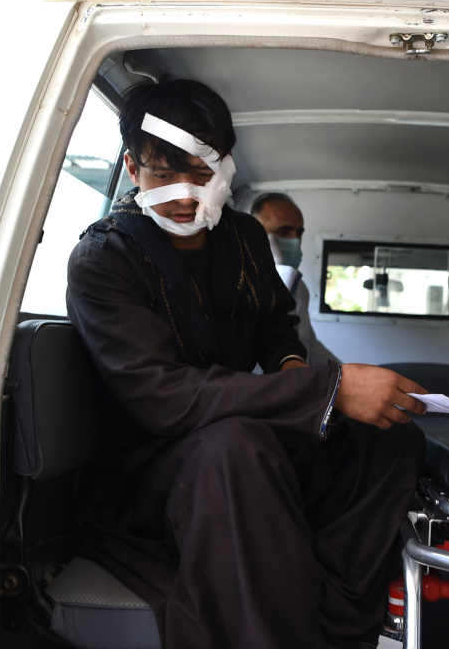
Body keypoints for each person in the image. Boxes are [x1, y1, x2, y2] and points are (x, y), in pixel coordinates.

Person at [65, 78, 428, 649]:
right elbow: (164, 397)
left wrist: (291, 369)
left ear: (227, 166)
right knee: (240, 447)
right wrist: (327, 390)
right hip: (149, 466)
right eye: (165, 174)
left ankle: (328, 601)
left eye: (203, 174)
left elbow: (273, 326)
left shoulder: (243, 237)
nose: (186, 195)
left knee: (389, 438)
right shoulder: (103, 258)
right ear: (134, 170)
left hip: (240, 429)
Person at [251, 192, 340, 366]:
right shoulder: (239, 285)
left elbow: (310, 346)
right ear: (255, 235)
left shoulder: (301, 289)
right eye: (283, 231)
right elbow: (269, 332)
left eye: (298, 233)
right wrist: (278, 270)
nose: (295, 240)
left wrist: (345, 373)